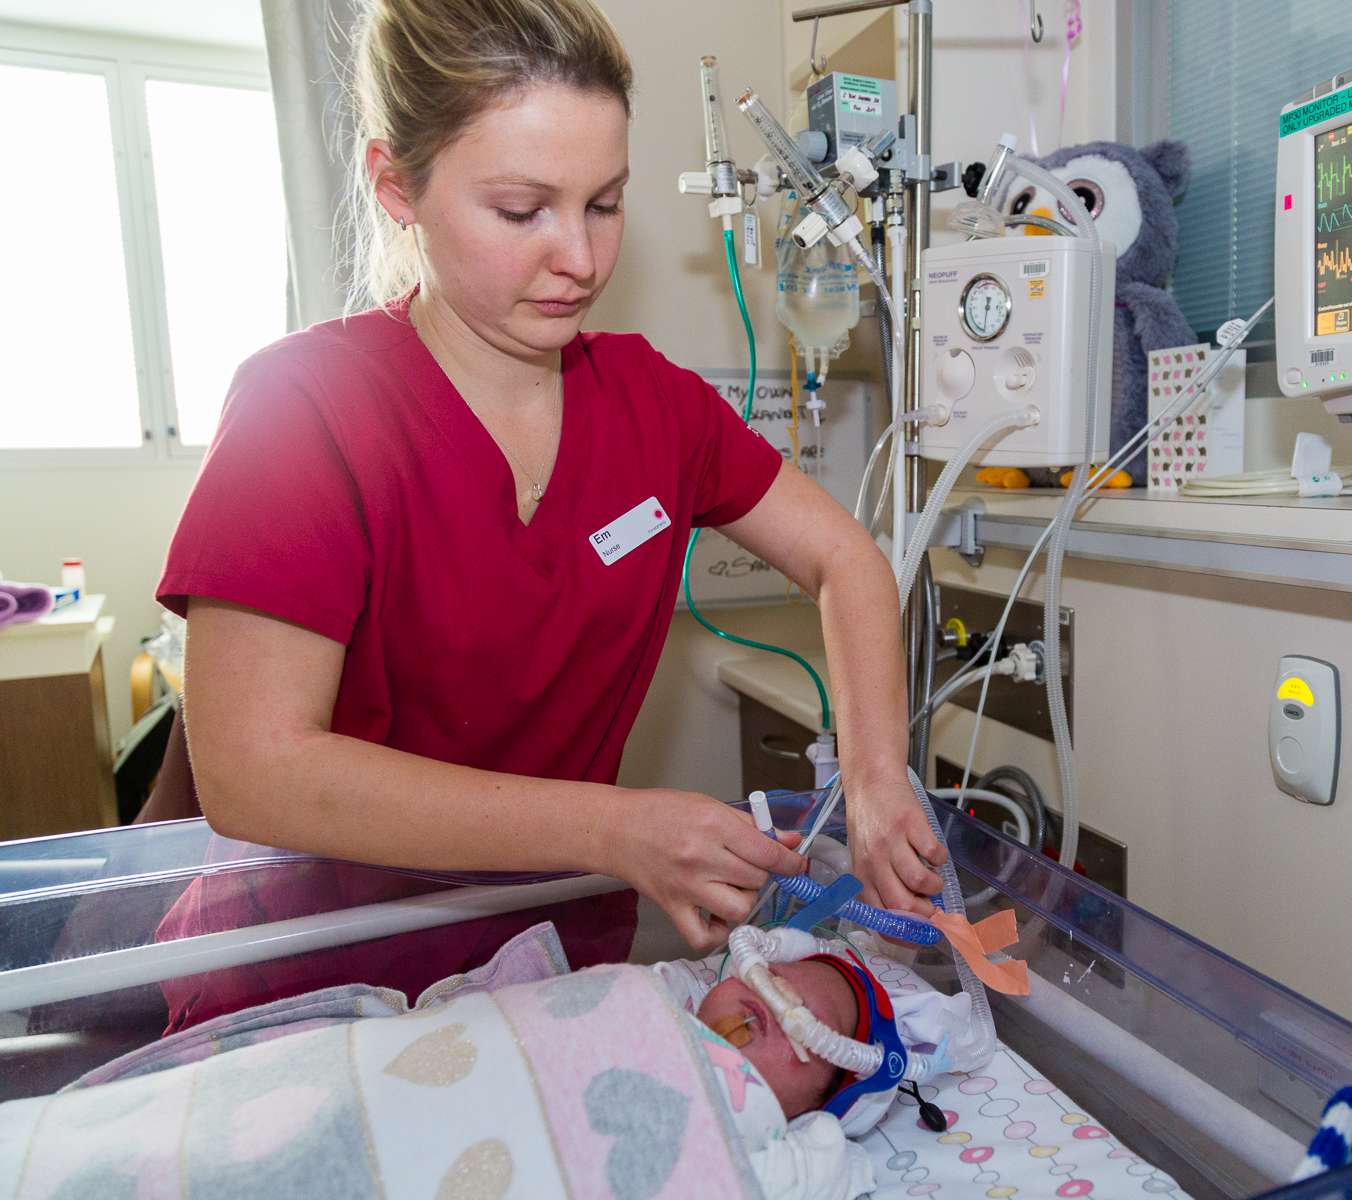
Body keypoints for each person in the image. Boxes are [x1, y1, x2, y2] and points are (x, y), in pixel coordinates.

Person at [153, 0, 944, 1028]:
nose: (578, 257)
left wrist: (878, 775)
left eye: (605, 204)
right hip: (309, 984)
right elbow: (256, 771)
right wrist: (615, 831)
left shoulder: (654, 407)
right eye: (523, 211)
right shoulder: (304, 410)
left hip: (538, 977)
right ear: (398, 187)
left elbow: (846, 559)